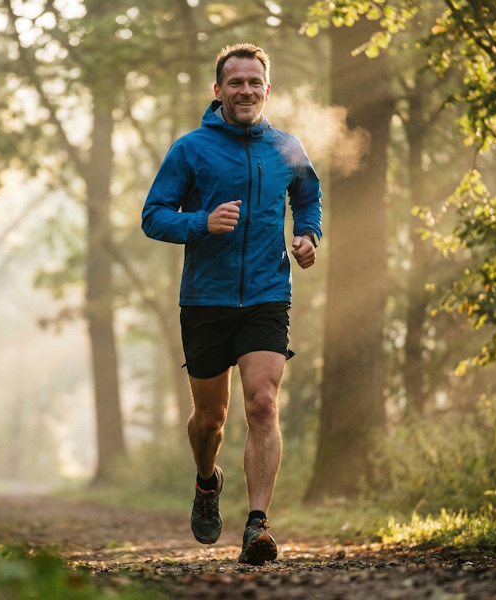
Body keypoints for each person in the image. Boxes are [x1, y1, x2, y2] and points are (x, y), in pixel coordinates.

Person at [141, 42, 322, 566]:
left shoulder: (287, 147)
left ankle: (258, 525)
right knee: (210, 419)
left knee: (262, 402)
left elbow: (307, 197)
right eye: (236, 83)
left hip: (268, 294)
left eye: (254, 82)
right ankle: (207, 480)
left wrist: (308, 234)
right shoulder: (191, 149)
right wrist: (201, 222)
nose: (246, 91)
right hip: (205, 300)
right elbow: (154, 215)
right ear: (218, 90)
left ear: (267, 89)